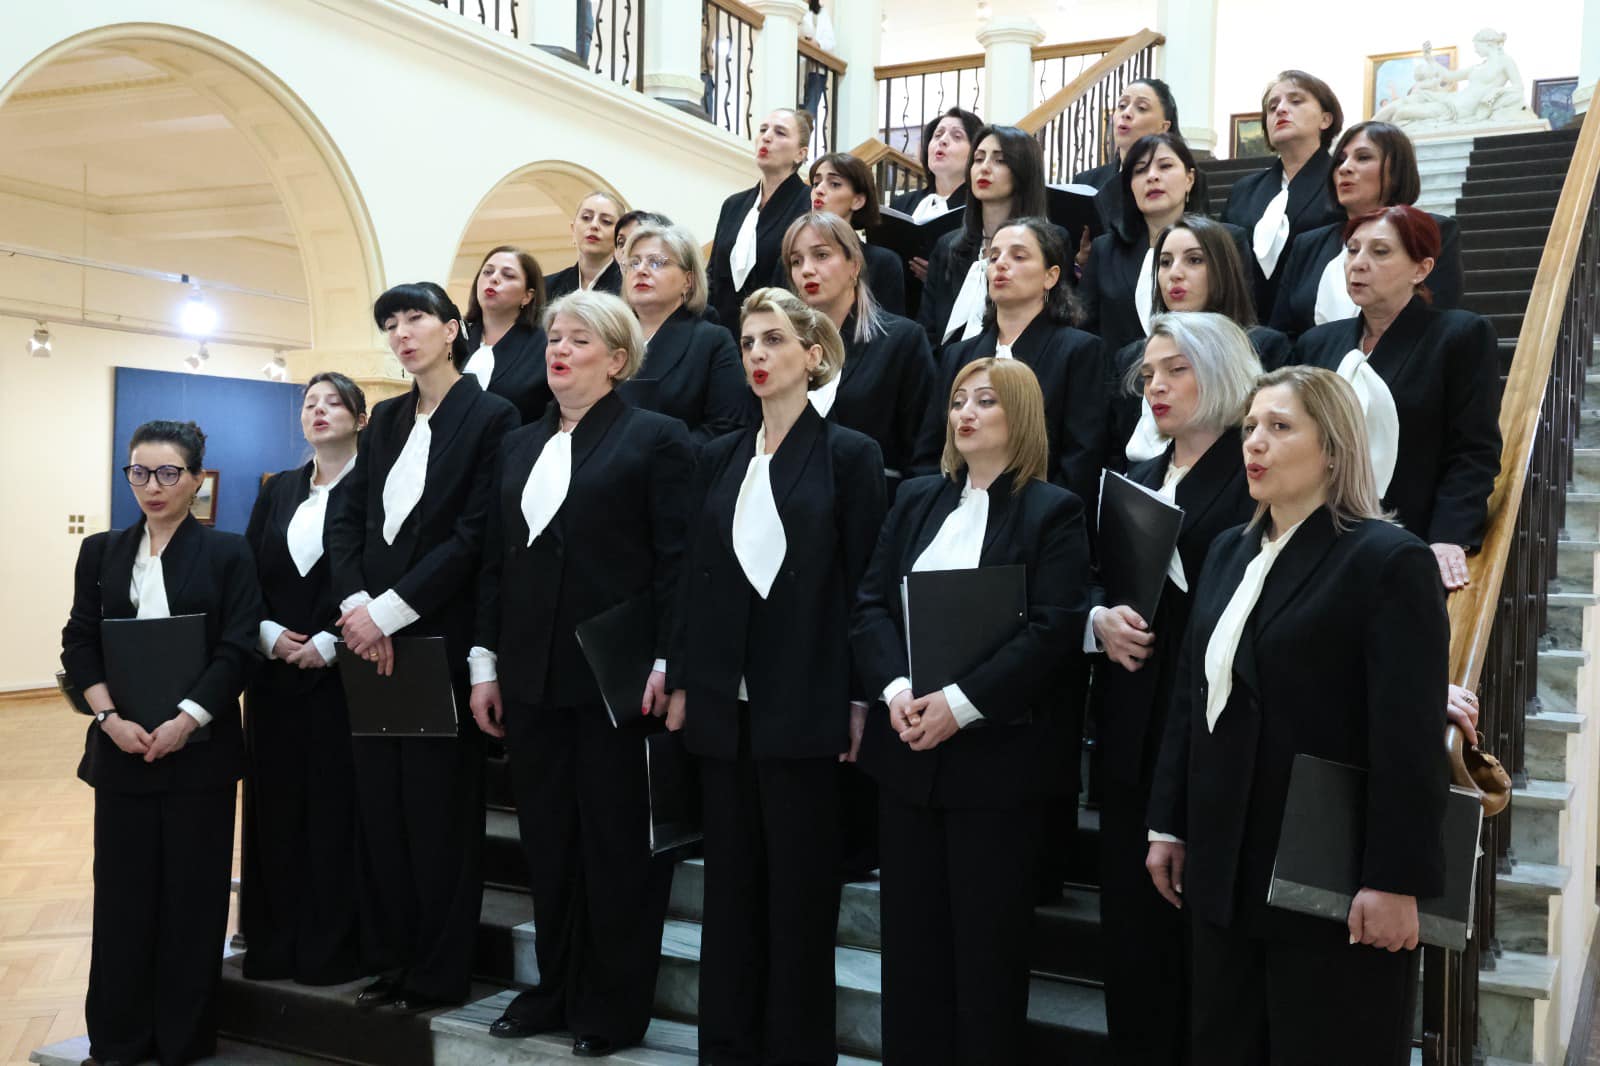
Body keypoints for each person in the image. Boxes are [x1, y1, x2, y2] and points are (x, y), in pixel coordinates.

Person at [1146, 364, 1450, 1066]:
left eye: (1280, 428)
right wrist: (1170, 821)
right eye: (1250, 426)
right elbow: (1193, 700)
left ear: (1335, 449)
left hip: (1331, 882)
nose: (1255, 442)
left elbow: (1404, 740)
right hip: (1226, 871)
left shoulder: (1386, 560)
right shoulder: (1229, 549)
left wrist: (1394, 878)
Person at [665, 287, 886, 1064]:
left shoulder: (851, 456)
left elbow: (866, 586)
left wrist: (860, 698)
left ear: (812, 355)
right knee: (729, 890)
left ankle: (795, 1051)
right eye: (748, 342)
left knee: (799, 897)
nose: (756, 355)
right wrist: (686, 677)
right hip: (726, 703)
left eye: (773, 341)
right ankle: (726, 1048)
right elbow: (694, 576)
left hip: (807, 700)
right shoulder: (719, 454)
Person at [469, 291, 693, 1057]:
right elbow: (497, 562)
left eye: (579, 340)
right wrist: (484, 663)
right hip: (529, 676)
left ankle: (611, 1005)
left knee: (616, 849)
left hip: (616, 674)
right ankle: (552, 990)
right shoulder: (518, 443)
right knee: (552, 846)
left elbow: (677, 561)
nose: (558, 350)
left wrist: (667, 658)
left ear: (617, 360)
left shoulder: (656, 438)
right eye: (554, 337)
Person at [850, 356, 1091, 1065]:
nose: (967, 412)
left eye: (986, 400)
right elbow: (870, 604)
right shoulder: (918, 498)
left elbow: (1051, 630)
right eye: (959, 400)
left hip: (996, 766)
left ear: (1020, 415)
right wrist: (896, 693)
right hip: (908, 756)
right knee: (911, 948)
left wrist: (959, 705)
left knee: (987, 955)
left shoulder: (1055, 510)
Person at [325, 282, 519, 1013]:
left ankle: (440, 972)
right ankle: (394, 960)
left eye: (415, 319)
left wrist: (391, 614)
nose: (402, 334)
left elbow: (475, 535)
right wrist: (355, 610)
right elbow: (346, 519)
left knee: (439, 819)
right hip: (368, 641)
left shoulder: (493, 416)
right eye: (390, 324)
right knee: (381, 813)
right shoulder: (385, 422)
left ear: (450, 328)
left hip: (438, 638)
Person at [1087, 313, 1261, 1066]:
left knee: (1203, 958)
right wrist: (1100, 619)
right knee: (1132, 945)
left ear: (1219, 373)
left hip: (1211, 737)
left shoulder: (1252, 470)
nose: (1156, 386)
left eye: (1175, 370)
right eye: (1149, 374)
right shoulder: (1140, 478)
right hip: (1132, 727)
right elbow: (1101, 581)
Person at [61, 419, 264, 1066]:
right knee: (121, 900)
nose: (152, 485)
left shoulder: (228, 552)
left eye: (168, 472)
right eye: (139, 472)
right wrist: (108, 718)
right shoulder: (102, 550)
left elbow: (238, 646)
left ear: (196, 480)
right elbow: (79, 640)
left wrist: (187, 719)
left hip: (197, 752)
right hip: (120, 748)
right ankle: (118, 1040)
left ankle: (182, 1040)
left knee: (191, 900)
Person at [1291, 205, 1501, 590]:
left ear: (1421, 269)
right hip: (1317, 533)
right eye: (1352, 250)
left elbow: (1474, 450)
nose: (1358, 263)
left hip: (1406, 536)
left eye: (1380, 252)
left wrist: (1449, 536)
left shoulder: (1459, 335)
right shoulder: (1317, 343)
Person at [241, 373, 367, 987]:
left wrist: (331, 641)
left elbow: (379, 574)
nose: (319, 411)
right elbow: (246, 575)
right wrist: (265, 633)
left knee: (333, 812)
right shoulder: (279, 489)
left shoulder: (373, 488)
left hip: (347, 676)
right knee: (275, 810)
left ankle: (328, 951)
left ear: (360, 418)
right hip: (272, 677)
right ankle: (272, 945)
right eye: (310, 404)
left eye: (334, 402)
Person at [916, 217, 1106, 515]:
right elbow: (930, 451)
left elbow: (1080, 459)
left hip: (1037, 520)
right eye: (994, 257)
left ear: (1051, 276)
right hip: (956, 511)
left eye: (1018, 256)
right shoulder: (957, 355)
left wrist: (1043, 519)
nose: (1001, 264)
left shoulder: (1079, 350)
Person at [1106, 216, 1290, 464]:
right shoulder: (1132, 356)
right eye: (1165, 262)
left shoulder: (1263, 347)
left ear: (1223, 270)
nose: (1175, 274)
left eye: (1194, 260)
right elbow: (1113, 449)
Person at [783, 210, 936, 494]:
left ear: (854, 265)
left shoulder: (902, 340)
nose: (806, 270)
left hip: (874, 503)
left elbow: (925, 450)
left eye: (821, 255)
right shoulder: (787, 347)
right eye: (796, 261)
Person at [1269, 121, 1463, 339]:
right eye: (1340, 160)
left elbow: (1435, 322)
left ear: (1397, 170)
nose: (1344, 168)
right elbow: (1281, 332)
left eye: (1363, 157)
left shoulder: (1436, 231)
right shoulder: (1308, 244)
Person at [1079, 133, 1249, 358]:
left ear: (1190, 179)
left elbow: (1242, 317)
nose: (1152, 177)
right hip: (1120, 385)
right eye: (1140, 170)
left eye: (1165, 166)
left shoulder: (1228, 239)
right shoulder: (1105, 249)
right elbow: (1086, 329)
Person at [918, 124, 1051, 349]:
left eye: (1000, 160)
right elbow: (927, 328)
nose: (985, 168)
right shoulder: (948, 245)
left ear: (1023, 171)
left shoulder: (1050, 241)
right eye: (978, 159)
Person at [1223, 70, 1346, 313]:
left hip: (1317, 320)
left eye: (1296, 100)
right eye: (1272, 107)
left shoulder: (1343, 182)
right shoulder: (1244, 191)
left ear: (1325, 119)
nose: (1280, 109)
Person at [622, 222, 751, 440]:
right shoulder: (608, 338)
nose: (641, 270)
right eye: (633, 263)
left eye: (656, 263)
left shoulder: (711, 341)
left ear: (688, 281)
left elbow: (727, 427)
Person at [707, 109, 815, 330]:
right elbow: (713, 274)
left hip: (778, 329)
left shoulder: (809, 204)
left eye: (780, 133)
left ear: (800, 154)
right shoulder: (733, 205)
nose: (767, 137)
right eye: (763, 130)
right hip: (723, 332)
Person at [887, 107, 983, 310]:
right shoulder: (901, 203)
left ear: (976, 153)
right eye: (937, 135)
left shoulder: (980, 208)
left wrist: (940, 276)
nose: (943, 141)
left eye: (957, 136)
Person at [1070, 78, 1181, 252]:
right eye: (1122, 105)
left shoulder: (1180, 179)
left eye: (1141, 108)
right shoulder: (1086, 180)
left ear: (1163, 126)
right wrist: (1080, 262)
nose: (1126, 113)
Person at [462, 245, 552, 424]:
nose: (494, 278)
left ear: (527, 296)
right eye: (487, 272)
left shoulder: (545, 345)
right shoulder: (457, 337)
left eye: (508, 275)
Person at [809, 151, 907, 314]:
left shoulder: (883, 262)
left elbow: (892, 331)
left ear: (858, 201)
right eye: (816, 183)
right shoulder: (793, 257)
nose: (819, 190)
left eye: (834, 184)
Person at [545, 191, 625, 300]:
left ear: (619, 237)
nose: (594, 225)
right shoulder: (546, 287)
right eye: (586, 217)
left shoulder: (629, 289)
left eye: (606, 221)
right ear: (573, 229)